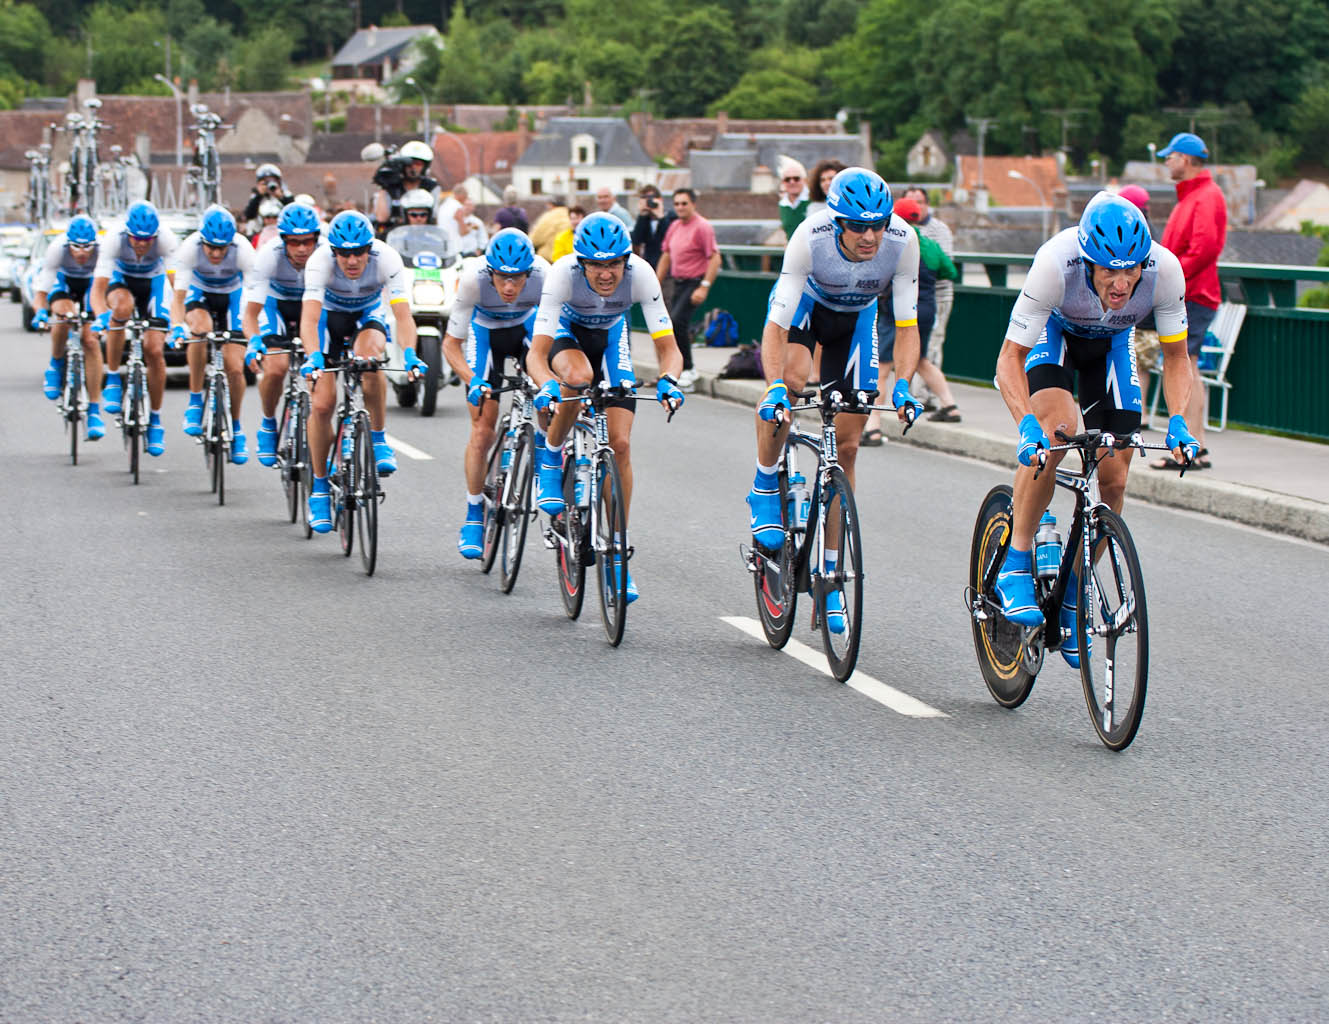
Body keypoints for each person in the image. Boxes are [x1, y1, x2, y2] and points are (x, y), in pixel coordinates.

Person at [991, 192, 1199, 667]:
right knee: (1058, 432)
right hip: (1056, 337)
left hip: (1112, 345)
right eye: (1109, 271)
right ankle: (1016, 562)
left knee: (1115, 479)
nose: (1122, 283)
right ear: (1087, 261)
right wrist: (1027, 426)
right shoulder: (1055, 263)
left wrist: (1179, 421)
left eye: (1132, 271)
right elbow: (1009, 358)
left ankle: (1073, 592)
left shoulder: (1165, 270)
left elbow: (1176, 357)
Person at [749, 168, 923, 632]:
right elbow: (776, 327)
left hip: (856, 321)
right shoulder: (810, 237)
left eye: (878, 225)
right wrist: (773, 386)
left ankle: (830, 577)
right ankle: (765, 481)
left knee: (847, 447)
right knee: (791, 381)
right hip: (805, 310)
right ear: (837, 221)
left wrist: (903, 385)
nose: (870, 237)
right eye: (858, 226)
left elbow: (907, 325)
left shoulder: (903, 240)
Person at [527, 212, 685, 602]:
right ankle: (551, 456)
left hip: (612, 337)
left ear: (626, 260)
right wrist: (547, 385)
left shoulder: (641, 274)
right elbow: (536, 355)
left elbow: (669, 349)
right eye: (596, 265)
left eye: (614, 264)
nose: (606, 274)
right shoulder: (562, 274)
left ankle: (616, 552)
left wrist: (669, 379)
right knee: (578, 377)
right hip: (566, 333)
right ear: (581, 262)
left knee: (621, 445)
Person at [298, 211, 427, 532]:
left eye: (359, 252)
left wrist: (410, 354)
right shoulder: (319, 262)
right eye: (344, 253)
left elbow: (403, 316)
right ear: (334, 251)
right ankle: (319, 487)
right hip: (328, 321)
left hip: (367, 316)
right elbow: (310, 320)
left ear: (370, 248)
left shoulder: (387, 259)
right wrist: (314, 357)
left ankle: (379, 439)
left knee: (370, 360)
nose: (352, 260)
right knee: (322, 405)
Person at [440, 229, 551, 558]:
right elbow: (451, 345)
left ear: (529, 272)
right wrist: (472, 380)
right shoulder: (472, 279)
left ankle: (544, 450)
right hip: (485, 334)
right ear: (490, 272)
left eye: (517, 278)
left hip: (527, 329)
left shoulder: (544, 275)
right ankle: (474, 513)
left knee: (547, 392)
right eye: (502, 277)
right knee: (482, 429)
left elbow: (558, 333)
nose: (509, 287)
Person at [1150, 131, 1227, 473]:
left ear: (1184, 159)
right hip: (1188, 291)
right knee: (1185, 364)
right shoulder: (1194, 196)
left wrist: (1170, 279)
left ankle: (1191, 446)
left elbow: (1204, 249)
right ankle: (1196, 445)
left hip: (1193, 293)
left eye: (1170, 157)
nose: (1167, 162)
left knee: (1185, 365)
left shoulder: (1204, 196)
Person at [860, 196, 961, 444]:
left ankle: (873, 427)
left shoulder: (893, 244)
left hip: (895, 311)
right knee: (921, 359)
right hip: (926, 308)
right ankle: (949, 405)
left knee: (881, 368)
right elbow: (950, 271)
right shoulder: (930, 245)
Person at [90, 200, 179, 457]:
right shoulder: (113, 238)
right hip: (122, 282)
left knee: (154, 350)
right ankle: (113, 377)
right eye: (136, 239)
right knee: (121, 309)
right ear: (127, 232)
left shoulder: (166, 239)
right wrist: (101, 316)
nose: (141, 244)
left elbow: (178, 288)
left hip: (154, 284)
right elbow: (97, 290)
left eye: (147, 239)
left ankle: (155, 419)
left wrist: (178, 322)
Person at [170, 205, 258, 463]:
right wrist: (177, 325)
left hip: (234, 298)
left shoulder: (244, 250)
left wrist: (253, 338)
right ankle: (195, 400)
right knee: (200, 329)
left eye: (223, 248)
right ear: (202, 241)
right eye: (211, 248)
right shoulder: (190, 248)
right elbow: (178, 299)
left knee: (235, 368)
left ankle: (237, 427)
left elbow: (253, 299)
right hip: (200, 294)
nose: (217, 253)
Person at [242, 202, 324, 467]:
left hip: (314, 308)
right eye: (294, 242)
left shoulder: (327, 253)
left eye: (307, 241)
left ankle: (322, 442)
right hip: (275, 306)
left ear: (316, 238)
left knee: (321, 375)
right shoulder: (268, 255)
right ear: (283, 240)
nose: (301, 249)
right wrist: (254, 342)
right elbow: (251, 313)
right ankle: (268, 423)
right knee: (276, 368)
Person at [32, 214, 106, 440]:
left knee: (91, 340)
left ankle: (94, 410)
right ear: (68, 243)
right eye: (76, 247)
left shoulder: (103, 250)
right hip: (63, 281)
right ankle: (55, 363)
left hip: (92, 285)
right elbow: (41, 293)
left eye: (87, 247)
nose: (82, 252)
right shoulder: (57, 249)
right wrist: (40, 313)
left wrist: (103, 317)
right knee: (63, 314)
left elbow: (107, 289)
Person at [656, 188, 720, 392]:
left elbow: (714, 257)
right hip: (678, 282)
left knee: (677, 322)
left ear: (693, 204)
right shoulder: (674, 226)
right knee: (671, 324)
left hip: (694, 281)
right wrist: (656, 282)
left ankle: (689, 369)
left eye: (684, 203)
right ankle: (678, 368)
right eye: (676, 204)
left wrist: (704, 287)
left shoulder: (702, 227)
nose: (680, 207)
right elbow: (666, 255)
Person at [901, 186, 955, 409]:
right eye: (910, 201)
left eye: (920, 202)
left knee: (930, 347)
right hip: (914, 299)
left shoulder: (938, 230)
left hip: (935, 295)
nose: (915, 206)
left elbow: (946, 266)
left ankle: (928, 397)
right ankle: (922, 395)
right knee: (917, 351)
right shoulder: (904, 232)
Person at [371, 140, 439, 234]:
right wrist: (384, 187)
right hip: (393, 236)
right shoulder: (392, 186)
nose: (413, 167)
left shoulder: (431, 186)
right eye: (409, 164)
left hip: (423, 236)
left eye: (418, 164)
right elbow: (381, 218)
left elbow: (434, 217)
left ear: (425, 166)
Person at [630, 184, 675, 269]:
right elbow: (636, 241)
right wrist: (642, 215)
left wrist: (661, 217)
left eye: (651, 198)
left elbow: (670, 239)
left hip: (668, 266)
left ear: (660, 200)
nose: (648, 202)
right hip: (650, 265)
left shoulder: (672, 217)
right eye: (645, 198)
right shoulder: (644, 219)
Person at [776, 156, 809, 239]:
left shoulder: (814, 200)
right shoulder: (783, 204)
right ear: (783, 182)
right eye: (787, 179)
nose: (792, 182)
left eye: (796, 178)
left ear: (804, 180)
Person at [529, 196, 570, 262]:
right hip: (566, 258)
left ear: (551, 205)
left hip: (548, 259)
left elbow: (535, 238)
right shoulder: (571, 216)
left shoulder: (548, 216)